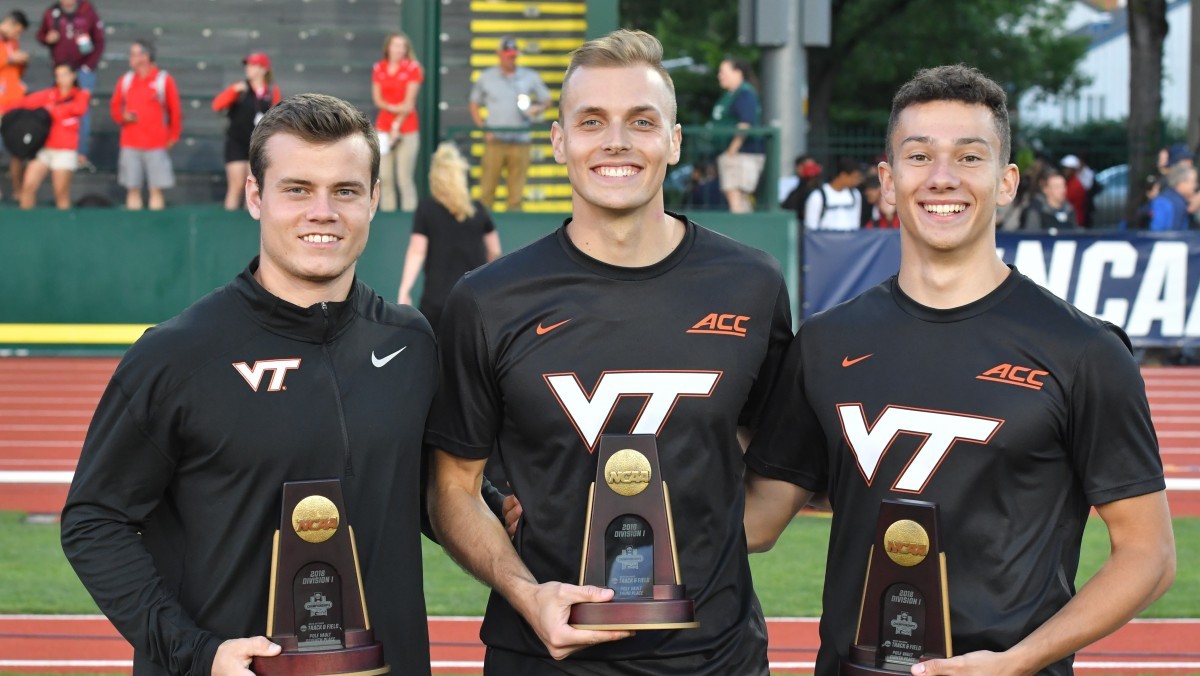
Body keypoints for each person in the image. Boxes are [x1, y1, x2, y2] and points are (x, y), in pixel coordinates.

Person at [742, 64, 1175, 676]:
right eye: (919, 156)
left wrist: (1019, 661)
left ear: (1006, 182)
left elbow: (1149, 555)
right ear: (888, 182)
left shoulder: (1083, 350)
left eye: (970, 157)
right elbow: (757, 521)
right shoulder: (826, 342)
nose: (942, 177)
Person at [427, 29, 792, 674]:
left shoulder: (752, 284)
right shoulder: (488, 300)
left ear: (674, 141)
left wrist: (709, 543)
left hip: (716, 659)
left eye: (641, 121)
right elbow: (452, 487)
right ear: (559, 141)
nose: (616, 141)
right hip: (541, 659)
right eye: (591, 121)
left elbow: (777, 458)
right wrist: (526, 593)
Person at [61, 93, 440, 675]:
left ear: (374, 199)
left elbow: (439, 492)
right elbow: (94, 521)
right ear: (255, 196)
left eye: (344, 190)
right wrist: (197, 654)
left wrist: (510, 510)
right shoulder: (176, 355)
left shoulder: (411, 343)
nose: (322, 211)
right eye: (298, 189)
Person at [398, 141, 501, 333]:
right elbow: (494, 250)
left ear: (435, 178)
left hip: (436, 303)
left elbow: (417, 251)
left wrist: (405, 289)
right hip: (475, 301)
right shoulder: (478, 209)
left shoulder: (426, 209)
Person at [469, 35, 549, 212]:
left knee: (516, 196)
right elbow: (474, 104)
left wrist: (537, 108)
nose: (511, 59)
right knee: (487, 191)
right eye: (508, 56)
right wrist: (484, 129)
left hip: (521, 140)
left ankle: (515, 227)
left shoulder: (529, 76)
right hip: (495, 140)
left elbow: (546, 100)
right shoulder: (486, 77)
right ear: (499, 54)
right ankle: (483, 226)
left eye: (514, 56)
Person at [110, 39, 181, 210]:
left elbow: (175, 111)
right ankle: (134, 223)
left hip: (156, 143)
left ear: (145, 56)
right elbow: (114, 107)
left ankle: (155, 224)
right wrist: (122, 117)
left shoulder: (163, 80)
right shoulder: (126, 80)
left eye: (134, 54)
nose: (131, 58)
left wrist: (173, 136)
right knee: (132, 189)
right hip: (130, 143)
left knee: (156, 189)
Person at [36, 0, 103, 166]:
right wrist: (47, 38)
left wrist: (89, 66)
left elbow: (99, 40)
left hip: (82, 68)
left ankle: (80, 153)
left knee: (81, 110)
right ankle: (54, 148)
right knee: (56, 107)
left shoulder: (87, 10)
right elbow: (41, 35)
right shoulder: (52, 12)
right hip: (60, 69)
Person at [212, 51, 280, 210]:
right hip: (236, 141)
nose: (248, 68)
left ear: (263, 69)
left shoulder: (271, 91)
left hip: (257, 143)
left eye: (253, 65)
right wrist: (233, 91)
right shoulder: (240, 88)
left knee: (253, 187)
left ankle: (249, 218)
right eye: (248, 65)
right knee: (236, 185)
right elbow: (217, 105)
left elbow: (277, 116)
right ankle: (229, 221)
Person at [15, 61, 89, 208]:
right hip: (45, 148)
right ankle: (26, 219)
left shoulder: (81, 94)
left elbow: (78, 109)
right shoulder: (50, 94)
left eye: (64, 74)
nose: (61, 79)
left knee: (61, 194)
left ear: (73, 76)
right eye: (58, 75)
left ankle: (65, 222)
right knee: (28, 186)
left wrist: (52, 109)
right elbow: (24, 103)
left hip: (65, 150)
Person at [372, 31, 422, 213]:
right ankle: (388, 214)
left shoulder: (413, 68)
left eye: (403, 46)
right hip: (383, 129)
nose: (399, 50)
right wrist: (393, 108)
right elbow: (378, 100)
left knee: (404, 178)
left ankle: (409, 219)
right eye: (396, 45)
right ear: (388, 47)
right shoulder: (379, 67)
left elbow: (409, 104)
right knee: (385, 177)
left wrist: (396, 125)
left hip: (407, 128)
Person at [710, 56, 764, 213]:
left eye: (723, 72)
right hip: (735, 153)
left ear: (738, 72)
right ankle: (747, 228)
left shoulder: (744, 93)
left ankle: (742, 228)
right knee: (738, 197)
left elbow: (745, 123)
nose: (720, 76)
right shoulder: (731, 94)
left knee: (736, 194)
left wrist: (732, 150)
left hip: (742, 153)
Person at [0, 9, 30, 201]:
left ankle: (18, 191)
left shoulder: (12, 43)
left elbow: (15, 74)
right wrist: (10, 59)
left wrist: (22, 61)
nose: (17, 36)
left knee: (17, 150)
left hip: (13, 104)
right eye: (18, 31)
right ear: (13, 25)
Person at [804, 156, 864, 230]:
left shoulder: (855, 194)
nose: (857, 181)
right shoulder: (818, 196)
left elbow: (856, 223)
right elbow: (811, 226)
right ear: (843, 175)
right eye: (855, 177)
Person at [1148, 163, 1197, 231]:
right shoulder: (1176, 203)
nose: (1195, 185)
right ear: (1181, 183)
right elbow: (1173, 235)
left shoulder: (1166, 197)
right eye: (1193, 182)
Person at [1060, 154, 1086, 226]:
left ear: (1073, 170)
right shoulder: (1068, 182)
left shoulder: (1076, 185)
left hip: (1074, 220)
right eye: (1064, 168)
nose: (1065, 171)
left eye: (1067, 169)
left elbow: (1064, 200)